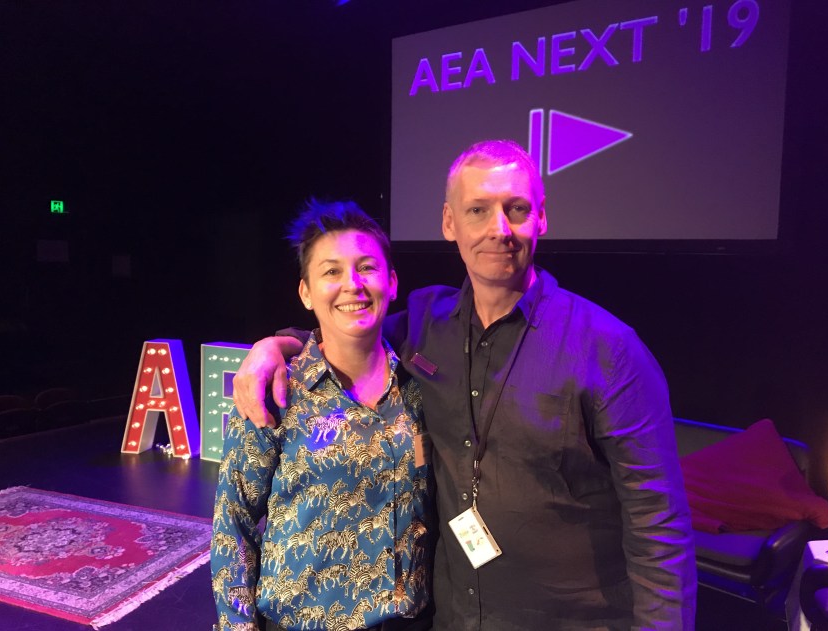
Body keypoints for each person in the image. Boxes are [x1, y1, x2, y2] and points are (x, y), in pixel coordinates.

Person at [234, 141, 697, 630]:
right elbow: (347, 332)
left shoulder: (610, 349)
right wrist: (277, 344)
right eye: (478, 210)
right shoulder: (423, 324)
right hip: (455, 617)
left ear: (541, 218)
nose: (499, 229)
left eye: (516, 209)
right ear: (449, 223)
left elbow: (658, 525)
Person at [211, 199, 435, 631]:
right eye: (331, 271)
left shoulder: (420, 386)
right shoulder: (276, 390)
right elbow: (233, 525)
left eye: (366, 268)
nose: (352, 284)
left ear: (391, 282)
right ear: (306, 292)